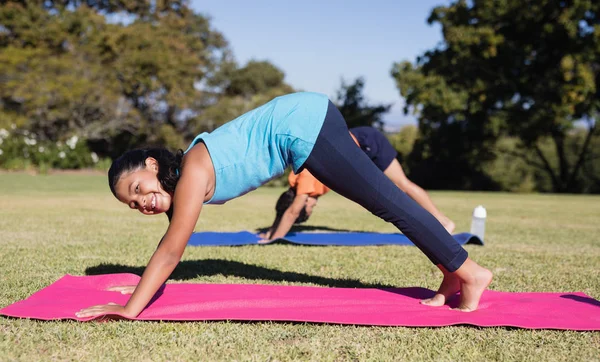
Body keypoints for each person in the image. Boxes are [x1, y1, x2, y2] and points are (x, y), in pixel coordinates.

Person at [75, 92, 493, 319]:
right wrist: (138, 285)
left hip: (303, 127)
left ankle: (470, 271)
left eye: (137, 187)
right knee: (388, 203)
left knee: (389, 202)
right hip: (303, 120)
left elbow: (171, 250)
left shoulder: (189, 176)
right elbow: (168, 249)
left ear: (152, 165)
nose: (141, 202)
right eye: (132, 203)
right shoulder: (183, 176)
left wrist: (129, 309)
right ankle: (451, 273)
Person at [262, 127, 456, 240]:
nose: (312, 207)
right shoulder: (298, 186)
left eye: (309, 209)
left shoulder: (304, 180)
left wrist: (275, 239)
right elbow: (286, 209)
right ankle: (438, 221)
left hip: (367, 142)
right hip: (359, 145)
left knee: (402, 185)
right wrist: (271, 231)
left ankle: (444, 222)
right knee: (396, 188)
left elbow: (292, 211)